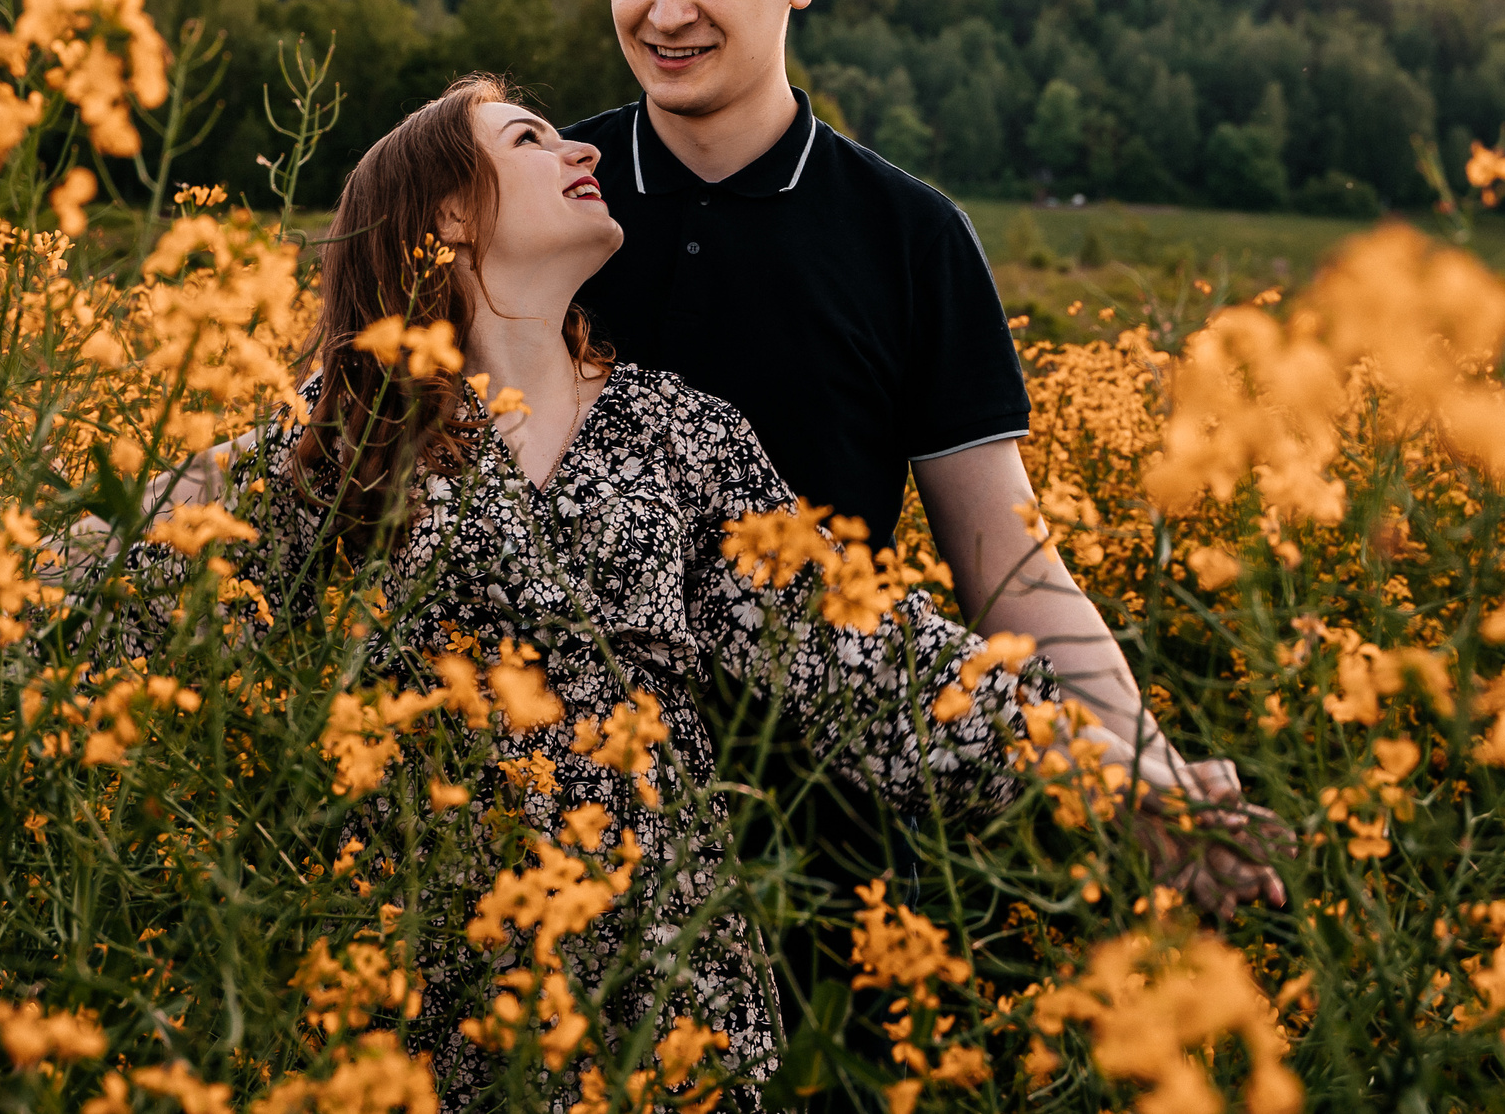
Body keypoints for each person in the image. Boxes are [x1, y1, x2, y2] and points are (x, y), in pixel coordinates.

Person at [200, 73, 1058, 1113]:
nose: (583, 153)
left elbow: (862, 657)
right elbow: (137, 601)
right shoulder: (344, 435)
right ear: (450, 214)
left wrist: (1108, 767)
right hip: (412, 991)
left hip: (658, 997)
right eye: (529, 141)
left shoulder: (678, 432)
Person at [559, 0, 1283, 913]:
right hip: (549, 837)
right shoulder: (542, 196)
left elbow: (1006, 562)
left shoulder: (908, 236)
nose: (666, 12)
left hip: (815, 855)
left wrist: (1147, 775)